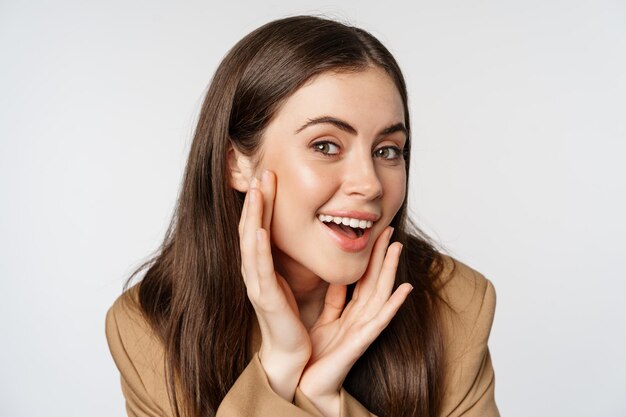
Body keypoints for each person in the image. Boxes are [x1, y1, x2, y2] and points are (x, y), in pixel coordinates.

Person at [105, 15, 499, 417]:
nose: (371, 184)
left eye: (387, 150)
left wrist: (324, 397)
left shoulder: (454, 306)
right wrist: (279, 367)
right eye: (326, 146)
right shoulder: (151, 327)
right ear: (237, 165)